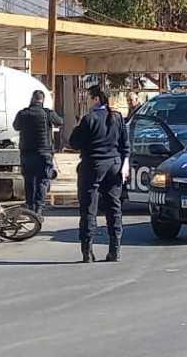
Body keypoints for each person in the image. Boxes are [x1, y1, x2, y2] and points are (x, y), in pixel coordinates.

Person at [69, 85, 128, 263]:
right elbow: (125, 145)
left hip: (93, 166)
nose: (87, 101)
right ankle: (115, 250)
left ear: (96, 99)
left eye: (89, 97)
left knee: (89, 209)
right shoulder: (117, 118)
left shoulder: (89, 119)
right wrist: (124, 165)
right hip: (114, 166)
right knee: (114, 209)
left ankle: (87, 251)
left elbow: (74, 142)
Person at [13, 90, 64, 219]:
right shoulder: (47, 113)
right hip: (44, 153)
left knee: (29, 181)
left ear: (32, 99)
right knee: (42, 180)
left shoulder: (23, 113)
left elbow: (16, 126)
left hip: (27, 153)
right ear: (42, 100)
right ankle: (39, 209)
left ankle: (30, 206)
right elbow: (60, 121)